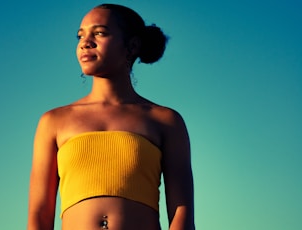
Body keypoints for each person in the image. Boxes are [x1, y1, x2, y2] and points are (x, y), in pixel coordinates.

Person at [27, 3, 195, 230]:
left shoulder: (165, 120)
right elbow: (39, 215)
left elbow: (181, 214)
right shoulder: (53, 121)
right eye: (80, 36)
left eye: (99, 33)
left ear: (132, 45)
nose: (85, 42)